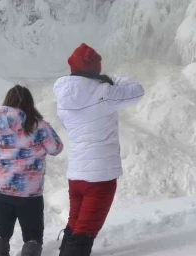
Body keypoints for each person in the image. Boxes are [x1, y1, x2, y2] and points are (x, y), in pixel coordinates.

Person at [54, 43, 145, 256]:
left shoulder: (63, 97)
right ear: (95, 68)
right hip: (100, 176)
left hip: (76, 174)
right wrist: (114, 79)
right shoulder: (105, 93)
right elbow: (137, 91)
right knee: (84, 233)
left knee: (75, 225)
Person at [0, 85, 64, 256]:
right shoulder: (38, 126)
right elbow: (56, 148)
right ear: (30, 103)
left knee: (1, 233)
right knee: (32, 236)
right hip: (29, 193)